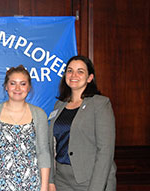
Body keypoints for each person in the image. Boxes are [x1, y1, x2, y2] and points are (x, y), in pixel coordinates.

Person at [48, 55, 116, 191]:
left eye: (80, 71)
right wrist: (51, 180)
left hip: (90, 179)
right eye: (70, 70)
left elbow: (105, 151)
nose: (74, 75)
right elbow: (52, 145)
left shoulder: (100, 104)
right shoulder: (59, 105)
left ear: (90, 78)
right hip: (61, 180)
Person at [0, 65, 50, 191]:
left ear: (28, 87)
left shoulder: (39, 115)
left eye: (23, 84)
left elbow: (43, 152)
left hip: (32, 185)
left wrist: (44, 187)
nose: (17, 88)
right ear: (6, 86)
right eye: (13, 83)